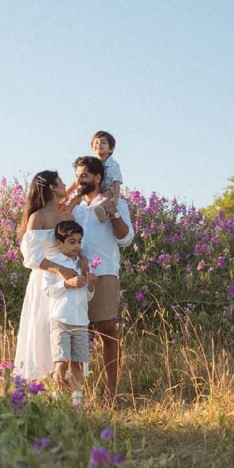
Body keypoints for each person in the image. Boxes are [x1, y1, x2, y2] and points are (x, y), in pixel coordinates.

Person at [71, 156, 134, 401]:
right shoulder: (73, 207)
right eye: (77, 175)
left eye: (84, 175)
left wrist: (114, 213)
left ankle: (111, 391)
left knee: (106, 330)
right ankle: (76, 393)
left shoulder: (116, 203)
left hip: (105, 272)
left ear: (97, 178)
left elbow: (126, 239)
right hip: (75, 275)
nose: (79, 180)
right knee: (73, 331)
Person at [13, 170, 83, 380]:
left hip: (70, 275)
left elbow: (76, 244)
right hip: (45, 277)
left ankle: (67, 386)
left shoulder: (67, 215)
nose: (64, 185)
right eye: (60, 182)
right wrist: (60, 270)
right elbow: (31, 256)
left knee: (66, 327)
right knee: (43, 328)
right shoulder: (38, 217)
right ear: (52, 187)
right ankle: (42, 380)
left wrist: (83, 261)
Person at [43, 220, 95, 406]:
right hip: (60, 320)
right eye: (72, 242)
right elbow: (47, 291)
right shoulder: (54, 264)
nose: (77, 246)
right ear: (60, 243)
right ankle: (57, 401)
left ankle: (77, 402)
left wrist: (91, 285)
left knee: (78, 363)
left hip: (81, 321)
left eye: (79, 241)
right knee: (61, 361)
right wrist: (66, 283)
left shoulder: (84, 264)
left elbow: (88, 296)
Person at [65, 130, 124, 223]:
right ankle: (66, 214)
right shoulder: (90, 164)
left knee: (106, 196)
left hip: (107, 188)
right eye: (96, 142)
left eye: (103, 142)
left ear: (111, 149)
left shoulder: (114, 165)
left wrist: (116, 197)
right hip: (91, 189)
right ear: (92, 147)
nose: (99, 144)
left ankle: (103, 212)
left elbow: (116, 182)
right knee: (76, 198)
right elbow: (78, 180)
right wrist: (66, 193)